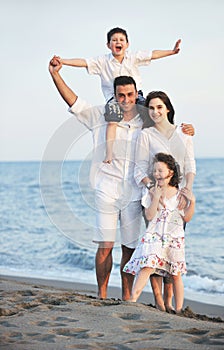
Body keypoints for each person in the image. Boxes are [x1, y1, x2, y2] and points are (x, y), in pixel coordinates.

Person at [49, 58, 194, 301]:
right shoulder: (101, 116)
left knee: (129, 246)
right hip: (106, 189)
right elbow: (73, 101)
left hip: (135, 193)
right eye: (120, 95)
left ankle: (127, 297)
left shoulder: (146, 121)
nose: (125, 100)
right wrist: (55, 75)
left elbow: (169, 129)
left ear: (136, 94)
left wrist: (187, 129)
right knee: (105, 245)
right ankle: (102, 295)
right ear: (114, 96)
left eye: (129, 95)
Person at [51, 27, 182, 163]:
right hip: (113, 99)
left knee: (152, 115)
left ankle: (166, 142)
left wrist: (172, 52)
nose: (117, 42)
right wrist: (63, 62)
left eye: (121, 40)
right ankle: (109, 153)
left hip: (138, 97)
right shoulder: (102, 61)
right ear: (108, 45)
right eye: (114, 40)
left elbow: (153, 54)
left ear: (127, 44)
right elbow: (83, 62)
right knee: (112, 123)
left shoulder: (133, 57)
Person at [134, 91, 196, 312]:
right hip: (154, 199)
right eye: (151, 108)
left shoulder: (184, 133)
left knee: (173, 251)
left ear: (167, 108)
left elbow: (190, 165)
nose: (155, 112)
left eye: (159, 107)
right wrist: (153, 191)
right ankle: (159, 301)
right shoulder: (146, 135)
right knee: (154, 251)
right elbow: (139, 168)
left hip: (177, 199)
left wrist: (187, 188)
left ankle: (170, 303)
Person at [124, 152, 196, 313]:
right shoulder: (151, 192)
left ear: (170, 172)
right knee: (148, 266)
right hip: (154, 237)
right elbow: (149, 216)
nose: (156, 174)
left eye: (160, 170)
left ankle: (179, 309)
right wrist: (155, 197)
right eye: (155, 171)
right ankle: (132, 300)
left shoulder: (180, 194)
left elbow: (188, 218)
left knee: (175, 274)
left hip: (174, 239)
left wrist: (193, 202)